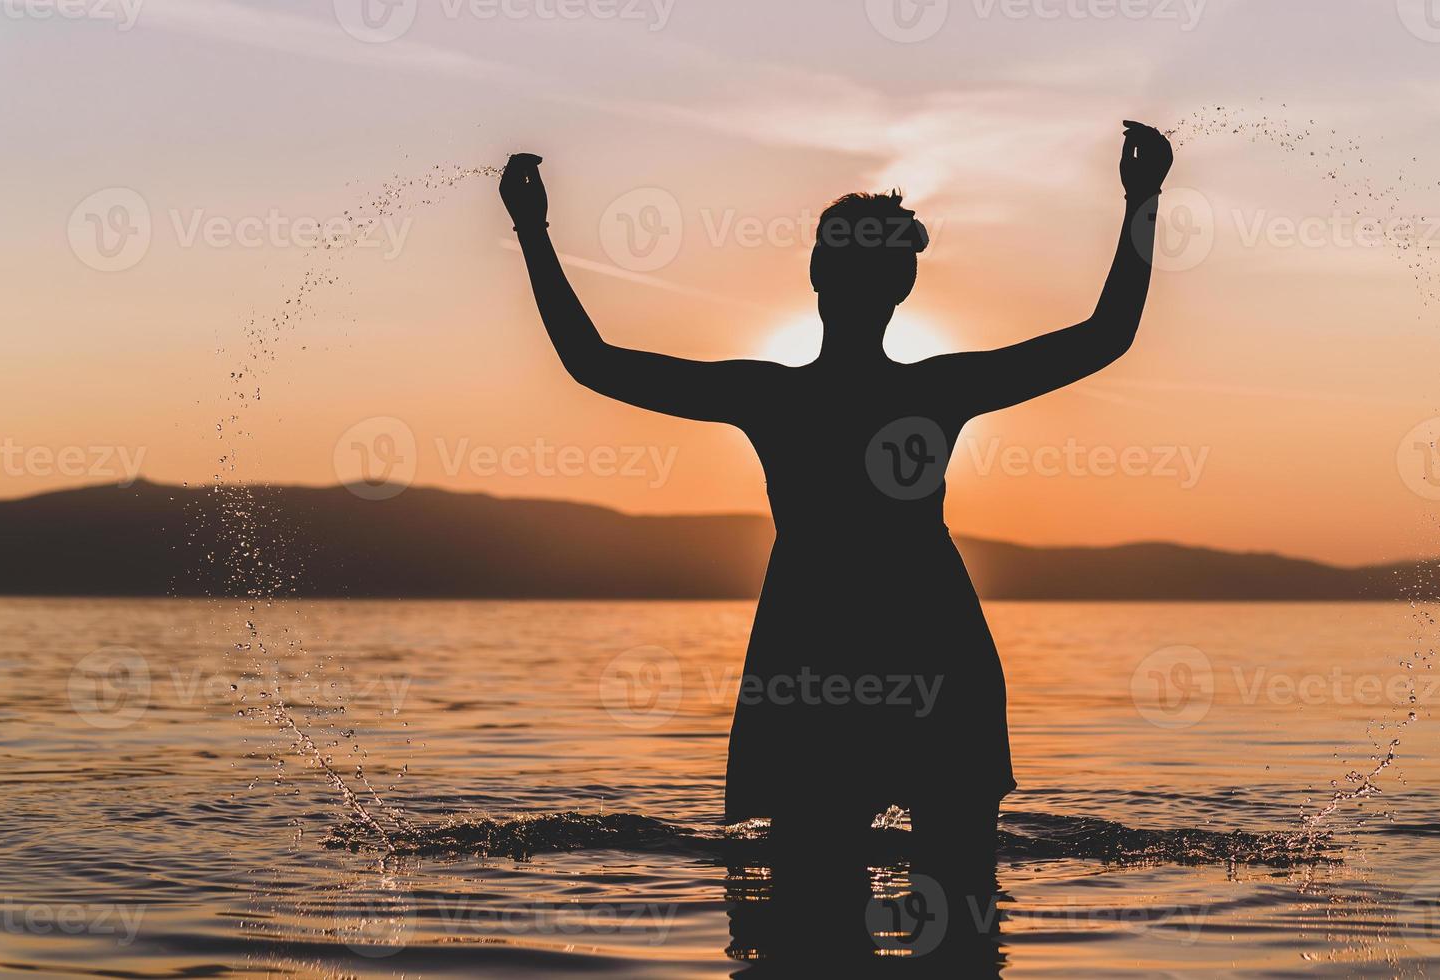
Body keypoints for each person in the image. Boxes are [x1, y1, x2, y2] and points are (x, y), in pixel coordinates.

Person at [499, 122, 1173, 876]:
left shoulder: (772, 396)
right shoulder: (934, 391)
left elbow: (592, 363)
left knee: (807, 906)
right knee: (957, 897)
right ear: (900, 283)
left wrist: (532, 231)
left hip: (817, 642)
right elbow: (1104, 337)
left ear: (818, 274)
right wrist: (1141, 199)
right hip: (926, 638)